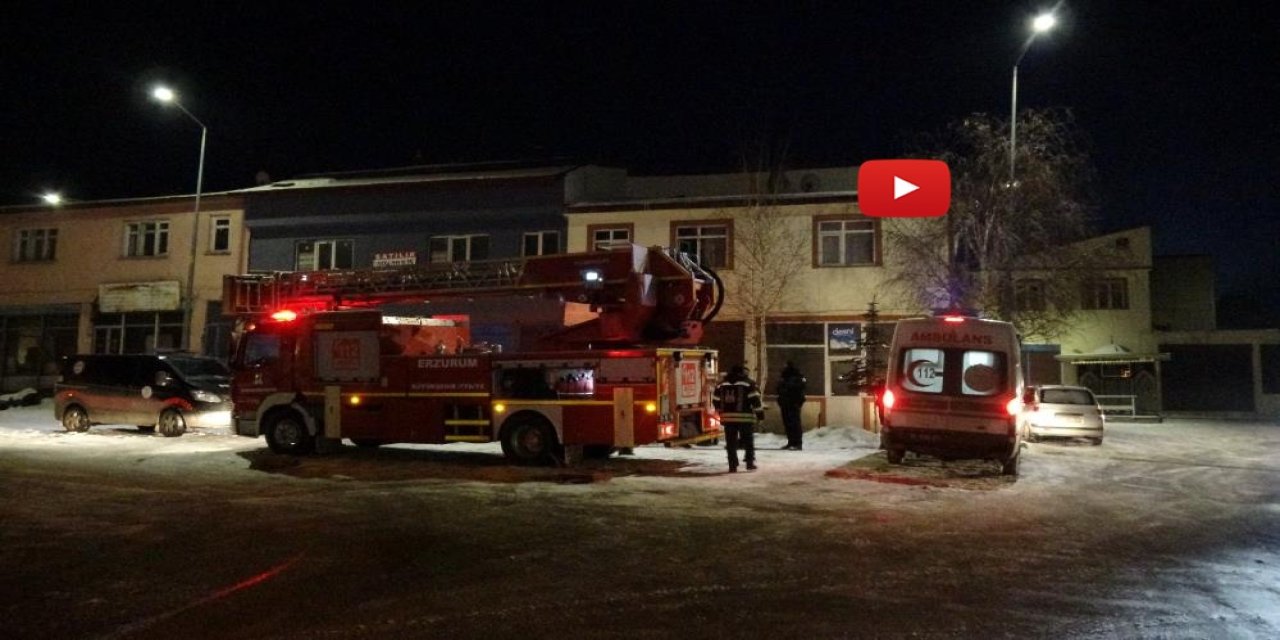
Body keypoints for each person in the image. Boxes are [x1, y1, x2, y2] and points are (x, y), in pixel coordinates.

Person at [713, 364, 764, 472]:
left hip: (728, 418)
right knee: (748, 441)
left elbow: (716, 400)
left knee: (730, 442)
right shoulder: (748, 384)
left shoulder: (721, 384)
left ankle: (732, 465)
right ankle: (749, 463)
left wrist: (720, 411)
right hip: (745, 418)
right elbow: (755, 399)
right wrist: (760, 414)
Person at [777, 361, 807, 450]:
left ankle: (797, 443)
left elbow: (797, 389)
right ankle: (791, 442)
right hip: (786, 403)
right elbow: (780, 389)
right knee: (788, 424)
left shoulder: (795, 378)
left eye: (785, 365)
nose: (783, 367)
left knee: (794, 423)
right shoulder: (785, 377)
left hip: (793, 403)